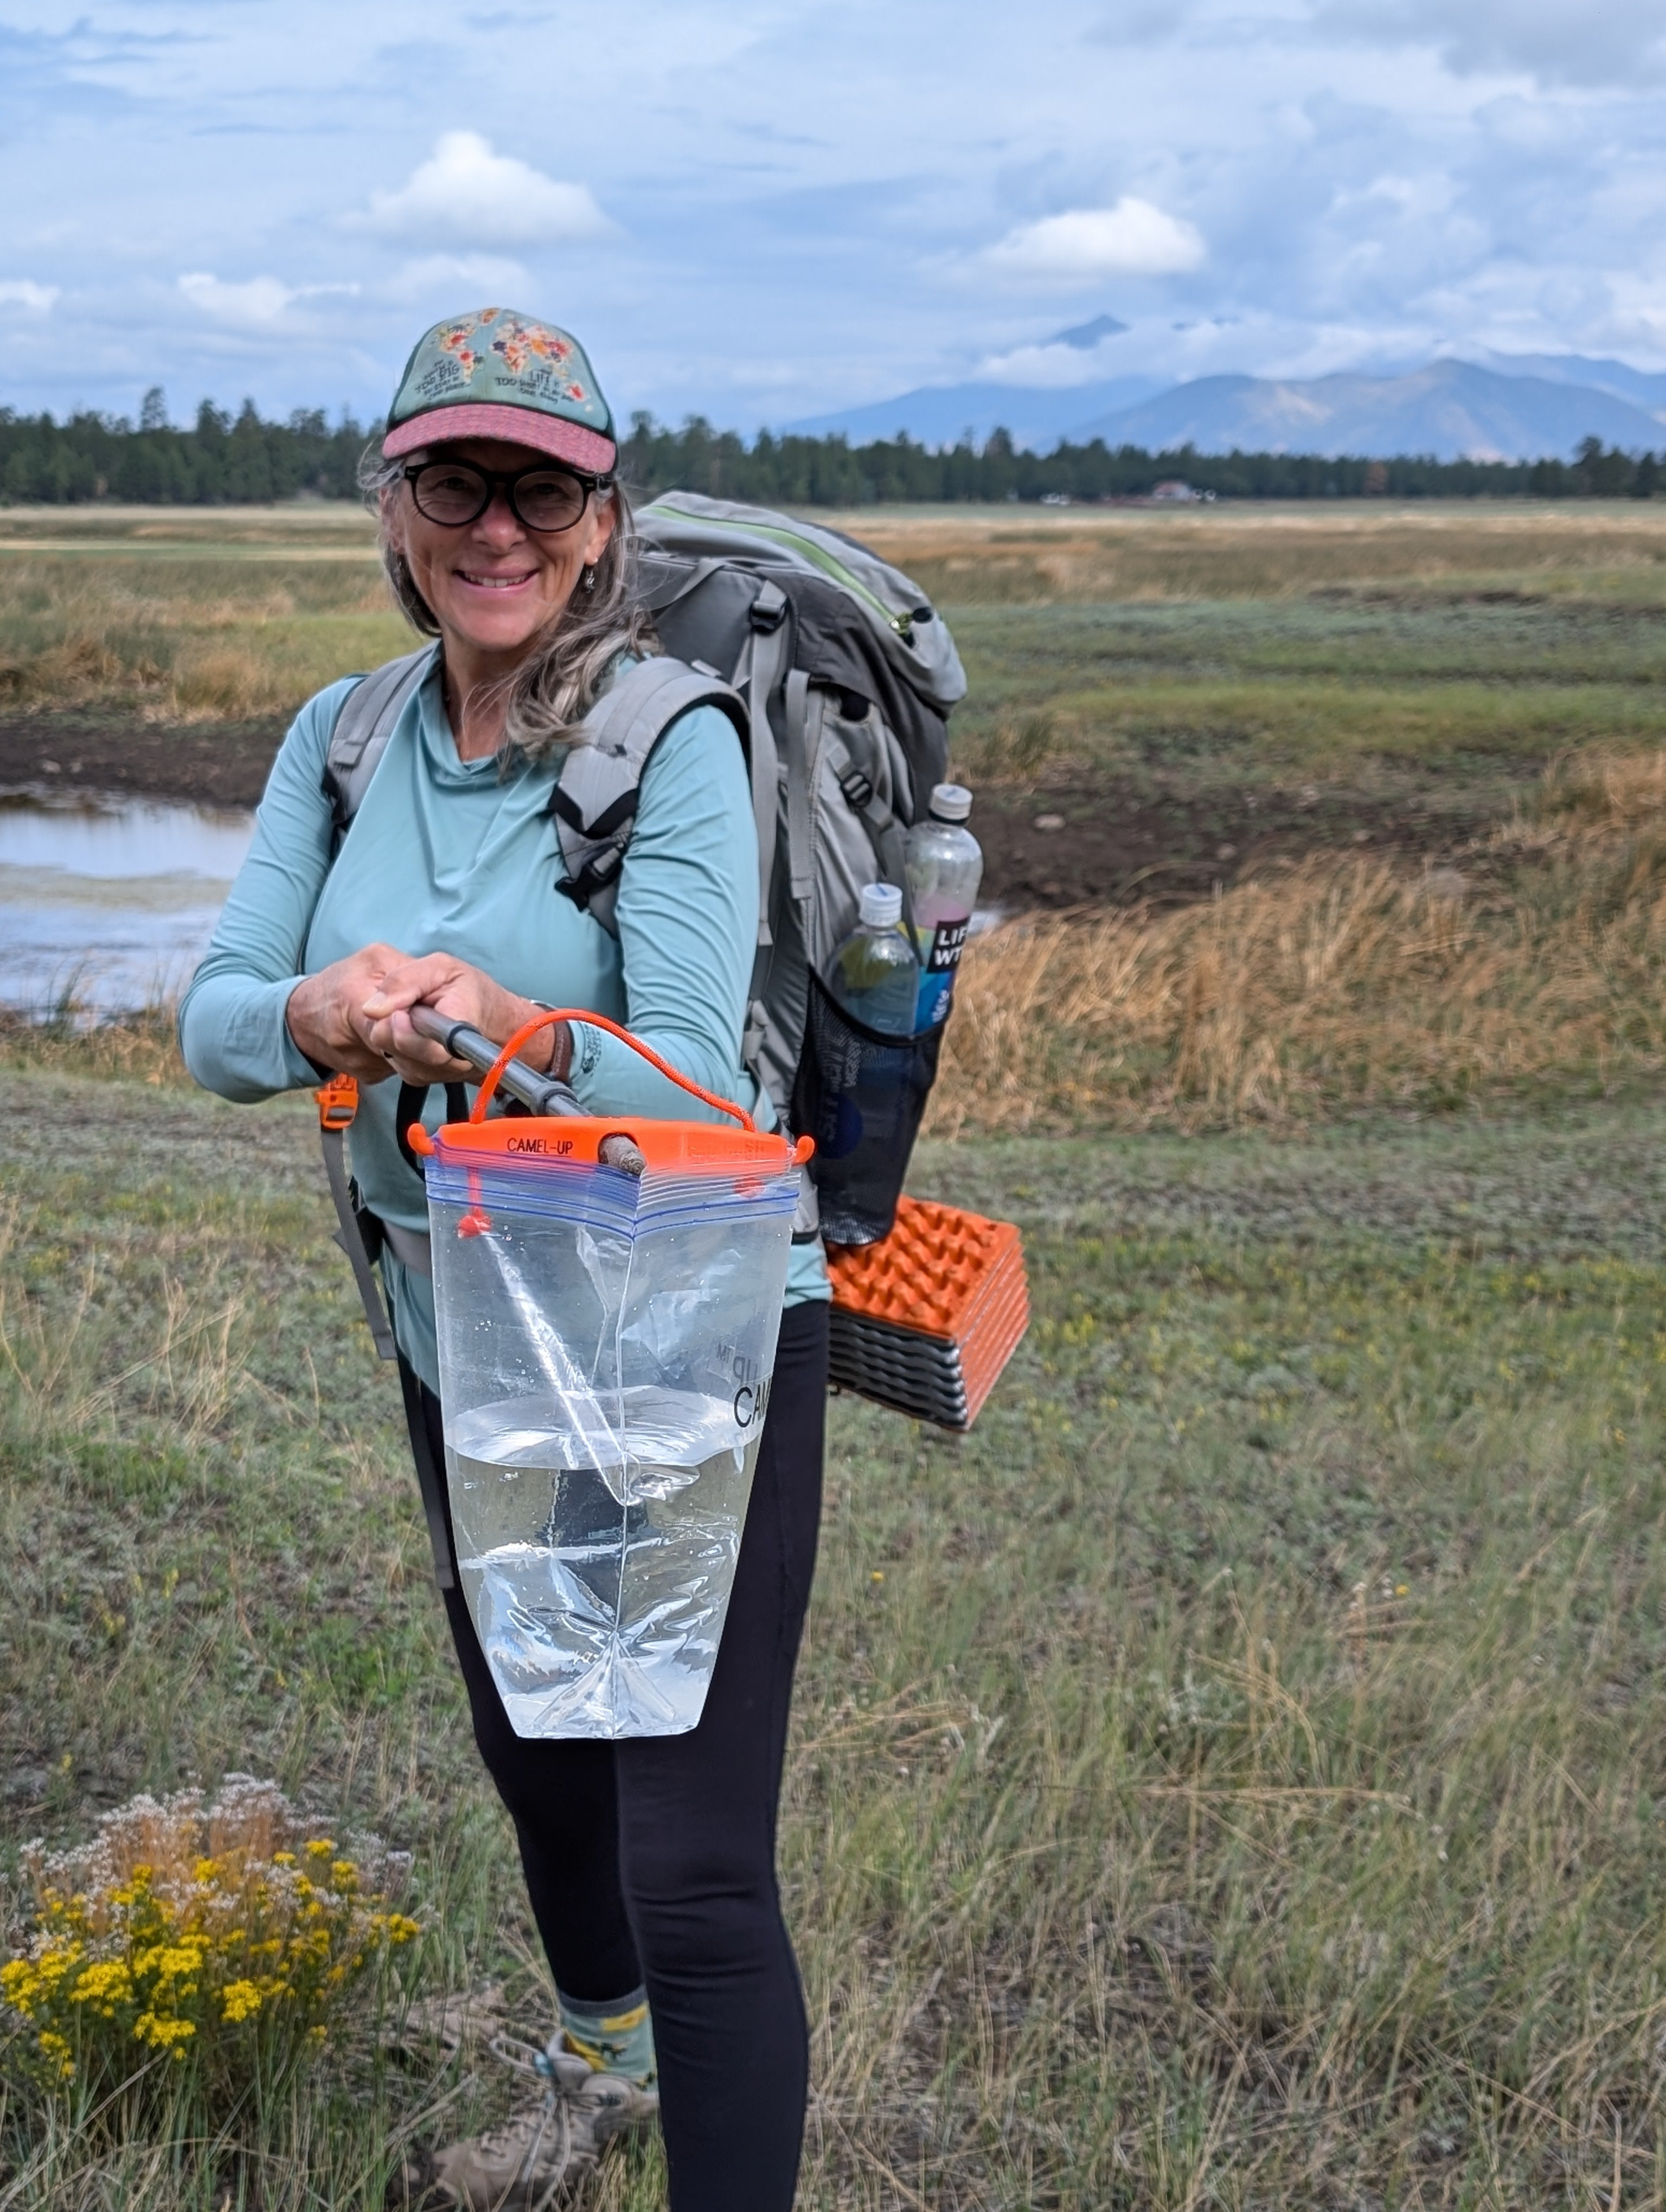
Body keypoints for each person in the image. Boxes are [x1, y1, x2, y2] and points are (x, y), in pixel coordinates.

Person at [179, 308, 830, 2212]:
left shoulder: (674, 743)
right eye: (451, 479)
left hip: (684, 1335)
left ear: (602, 518)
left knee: (694, 1859)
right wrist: (323, 1006)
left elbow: (704, 1082)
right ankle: (600, 2064)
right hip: (455, 1321)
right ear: (392, 508)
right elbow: (216, 1017)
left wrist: (514, 1033)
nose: (495, 524)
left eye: (540, 486)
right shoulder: (346, 735)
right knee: (532, 1741)